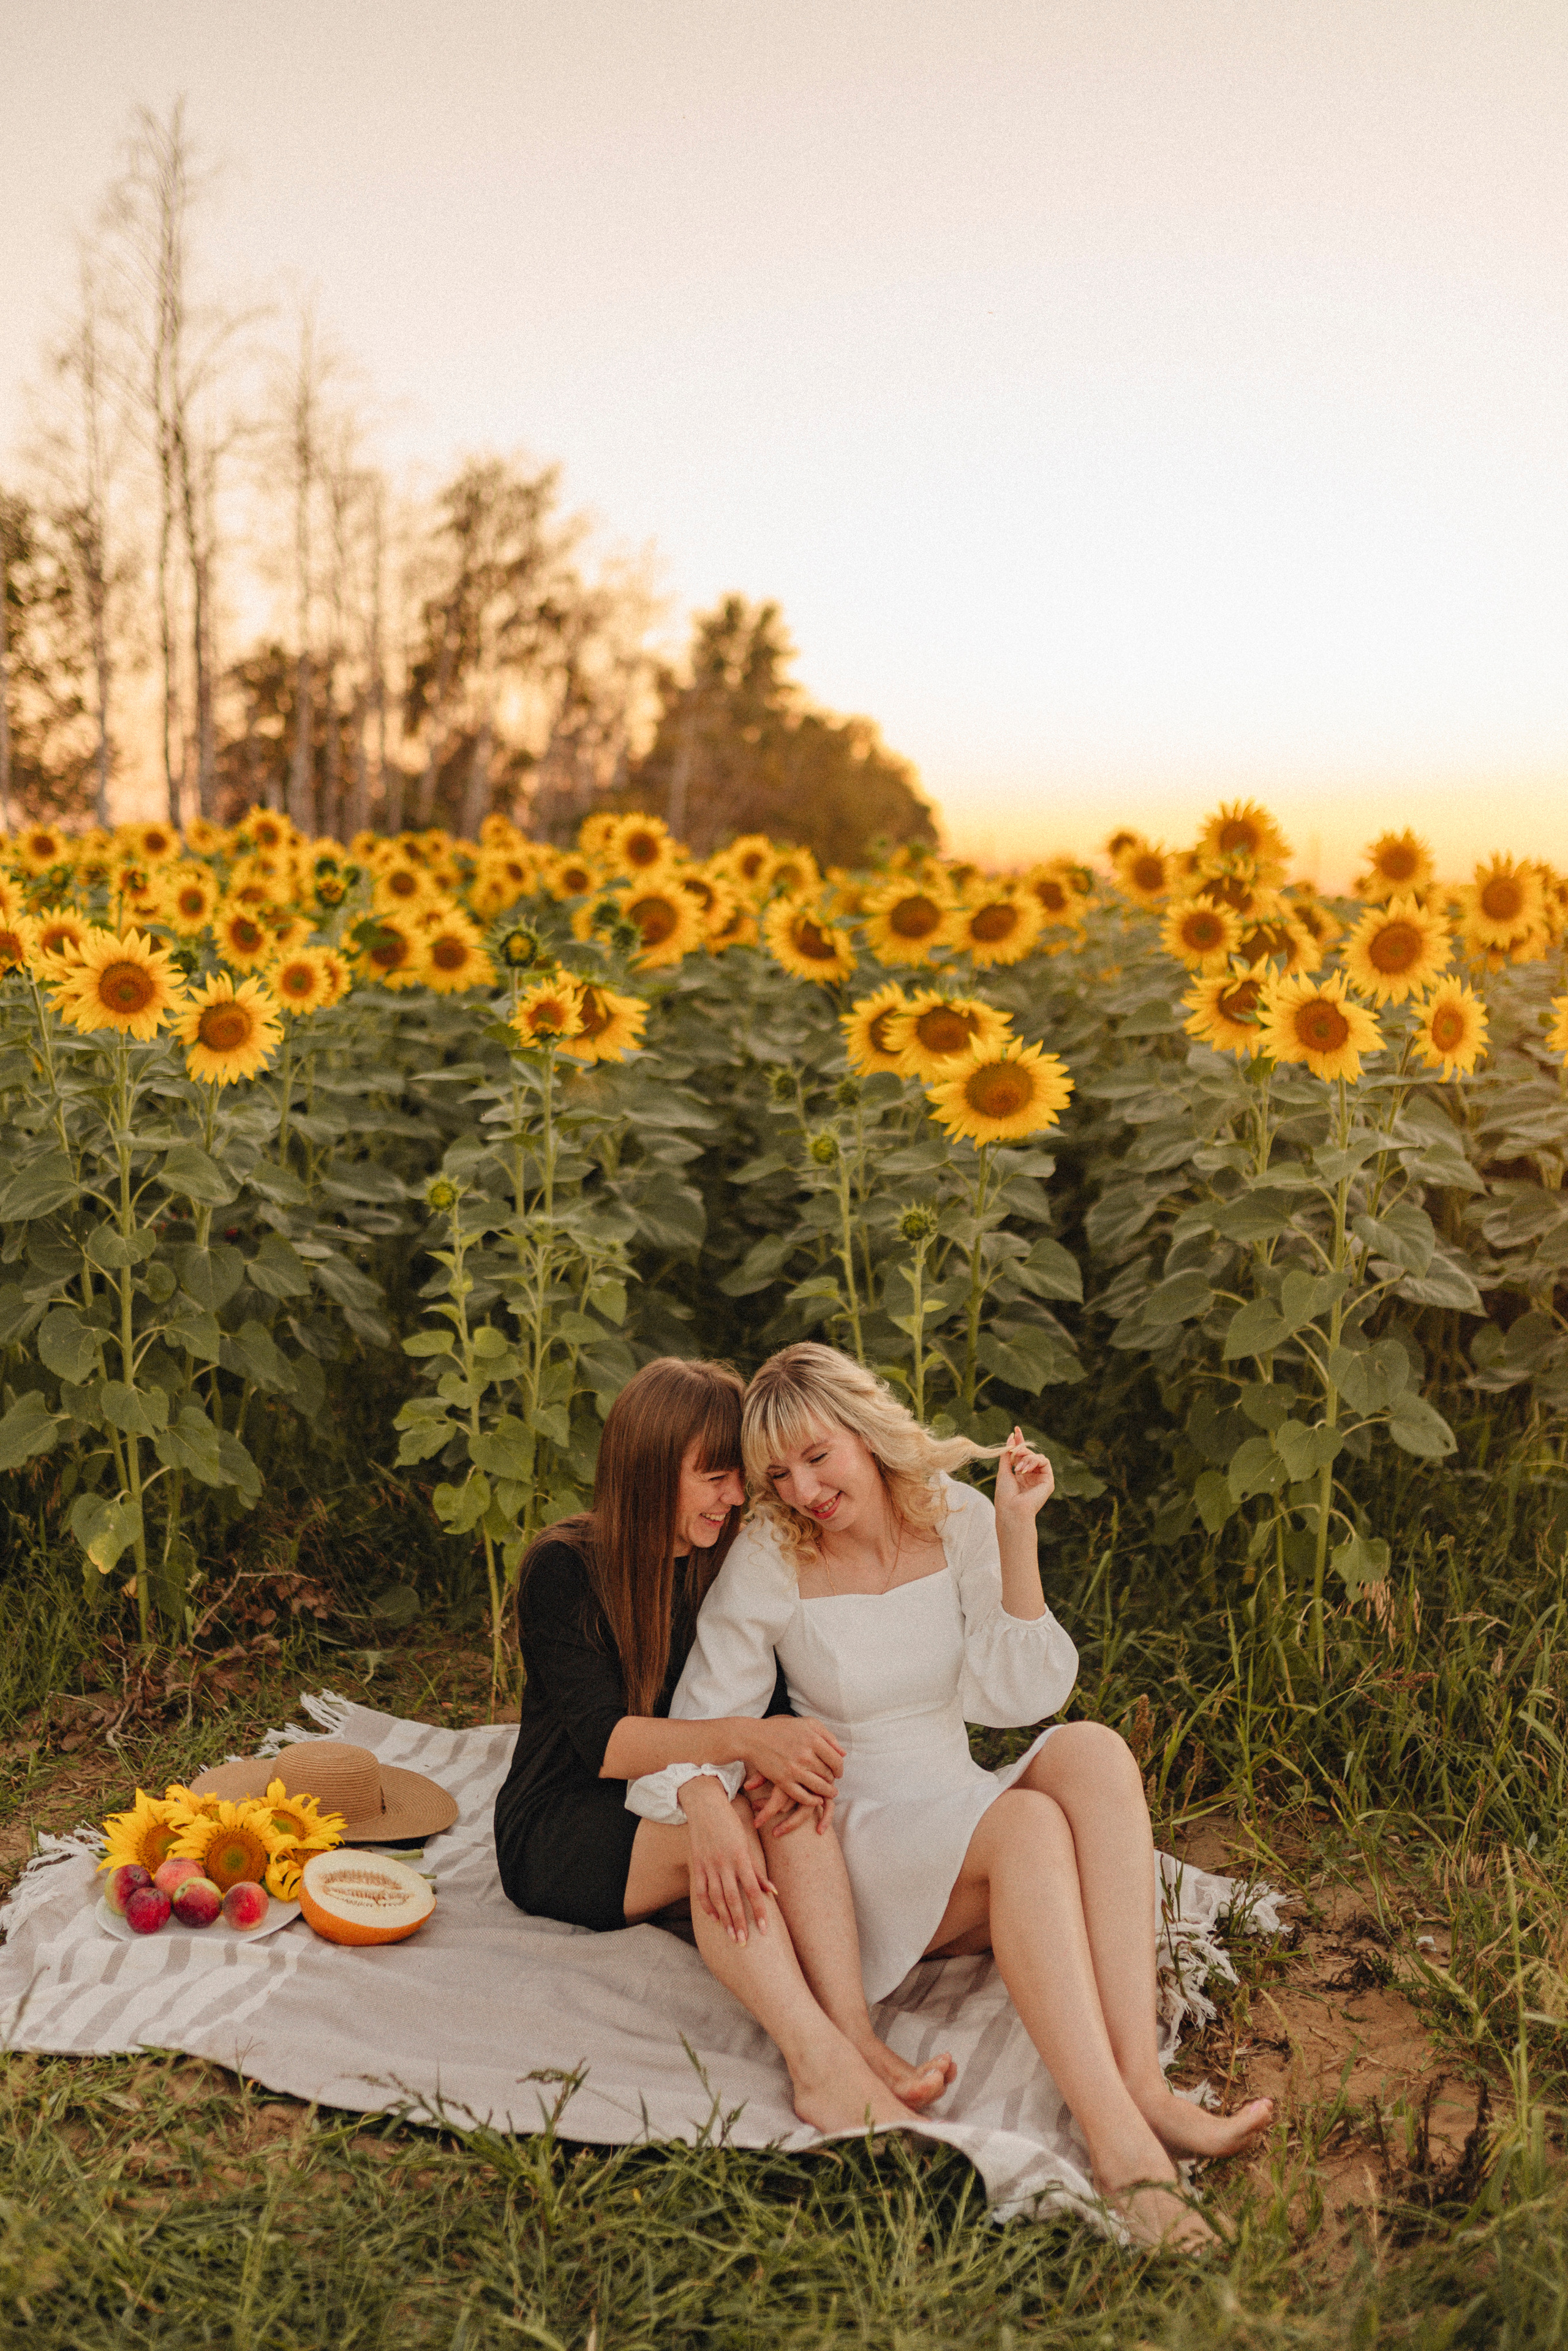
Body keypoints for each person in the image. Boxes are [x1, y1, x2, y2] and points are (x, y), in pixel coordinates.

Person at [627, 1343, 1272, 2249]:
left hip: (955, 1806)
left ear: (865, 1430)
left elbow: (1017, 1695)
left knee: (1092, 1749)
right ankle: (1120, 2150)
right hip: (857, 1838)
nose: (803, 1490)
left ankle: (1144, 2085)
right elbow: (705, 1723)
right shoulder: (772, 1552)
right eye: (778, 1474)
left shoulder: (954, 1513)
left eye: (818, 1455)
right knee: (1027, 1824)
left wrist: (1015, 1531)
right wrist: (710, 1800)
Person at [492, 1353, 954, 2133]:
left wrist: (744, 1773)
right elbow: (606, 1744)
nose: (736, 1496)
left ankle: (856, 2037)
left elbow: (761, 1705)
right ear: (650, 1471)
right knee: (732, 1823)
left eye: (737, 1477)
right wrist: (720, 1777)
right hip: (565, 1822)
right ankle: (816, 2066)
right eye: (714, 1478)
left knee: (782, 1801)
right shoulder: (565, 1568)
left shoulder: (723, 1559)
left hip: (681, 1790)